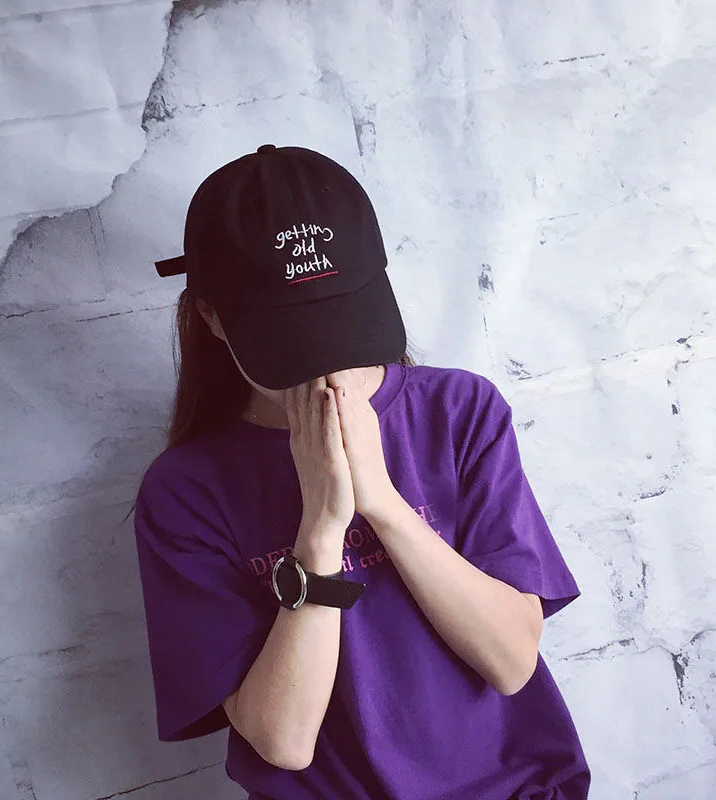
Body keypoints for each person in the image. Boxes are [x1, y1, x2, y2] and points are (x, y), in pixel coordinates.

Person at [132, 144, 591, 799]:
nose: (328, 366)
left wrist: (383, 504)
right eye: (291, 338)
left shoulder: (460, 411)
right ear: (211, 317)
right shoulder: (185, 491)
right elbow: (283, 741)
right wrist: (320, 534)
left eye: (341, 324)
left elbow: (511, 661)